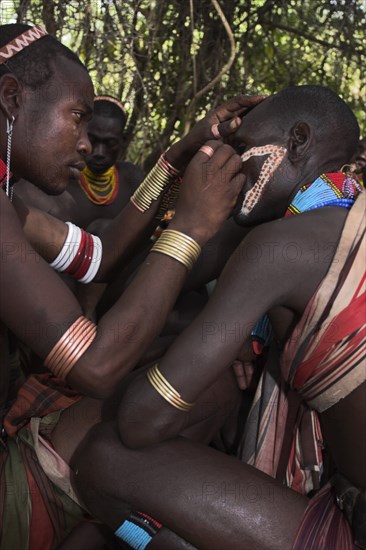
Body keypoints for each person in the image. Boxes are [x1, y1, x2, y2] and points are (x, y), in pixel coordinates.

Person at [0, 22, 264, 548]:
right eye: (76, 117)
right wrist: (189, 228)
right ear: (11, 99)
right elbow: (96, 366)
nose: (84, 141)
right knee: (190, 391)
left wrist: (177, 156)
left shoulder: (12, 204)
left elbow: (98, 258)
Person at [71, 85, 365, 550]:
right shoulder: (346, 217)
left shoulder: (281, 246)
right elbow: (118, 291)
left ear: (297, 141)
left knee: (100, 461)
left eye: (243, 149)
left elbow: (140, 421)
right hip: (344, 491)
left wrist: (190, 222)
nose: (230, 161)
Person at [14, 94, 144, 228]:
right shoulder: (57, 180)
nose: (99, 152)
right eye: (92, 140)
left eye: (110, 143)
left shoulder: (132, 179)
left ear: (123, 140)